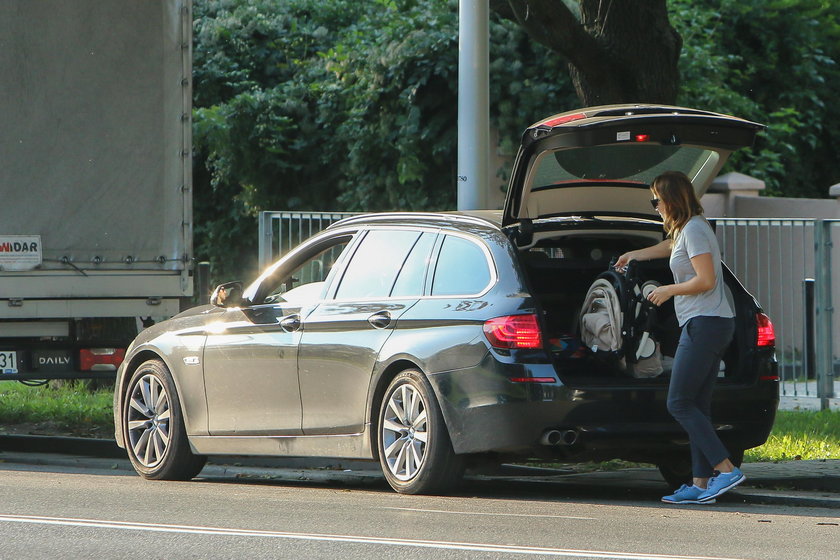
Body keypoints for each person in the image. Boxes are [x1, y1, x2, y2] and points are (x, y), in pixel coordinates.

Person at [614, 170, 744, 505]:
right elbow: (670, 246)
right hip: (707, 323)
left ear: (671, 199)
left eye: (655, 199)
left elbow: (706, 280)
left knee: (679, 402)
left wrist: (668, 290)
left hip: (706, 324)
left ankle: (726, 469)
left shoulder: (697, 230)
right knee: (697, 404)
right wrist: (634, 255)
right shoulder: (688, 230)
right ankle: (700, 484)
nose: (654, 206)